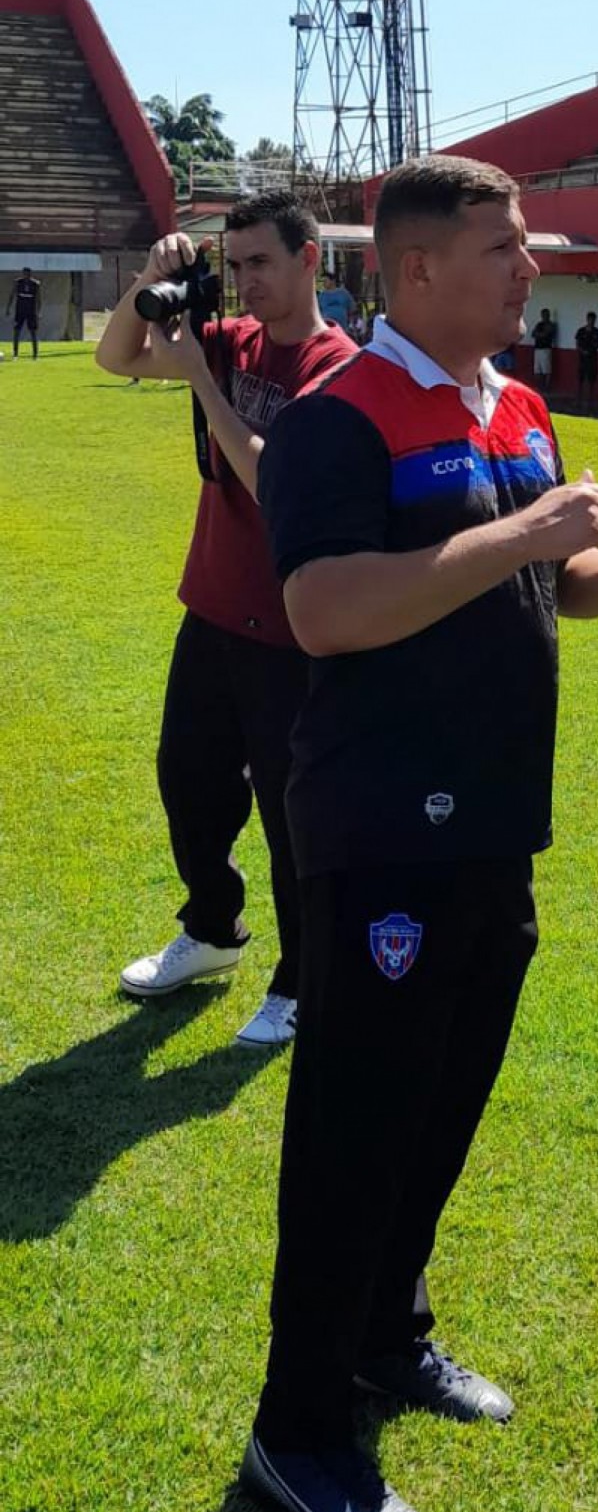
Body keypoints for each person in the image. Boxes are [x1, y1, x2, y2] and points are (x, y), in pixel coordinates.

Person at [244, 152, 598, 1512]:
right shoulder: (338, 415)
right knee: (355, 1130)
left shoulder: (521, 405)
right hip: (382, 829)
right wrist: (522, 536)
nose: (529, 269)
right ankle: (296, 1430)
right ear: (413, 270)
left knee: (439, 1110)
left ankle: (387, 1335)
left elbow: (555, 585)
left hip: (495, 825)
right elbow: (320, 608)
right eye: (501, 250)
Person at [95, 194, 356, 1045]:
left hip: (289, 632)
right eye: (233, 265)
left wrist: (201, 378)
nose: (244, 283)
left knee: (291, 816)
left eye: (260, 264)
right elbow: (114, 354)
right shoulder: (231, 337)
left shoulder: (338, 366)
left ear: (310, 259)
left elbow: (271, 480)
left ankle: (302, 977)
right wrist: (150, 277)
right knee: (189, 782)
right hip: (209, 611)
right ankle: (212, 930)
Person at [8, 267, 41, 359]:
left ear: (30, 274)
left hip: (31, 311)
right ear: (22, 274)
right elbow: (12, 295)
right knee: (16, 331)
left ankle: (35, 354)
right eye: (24, 274)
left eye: (28, 274)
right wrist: (9, 308)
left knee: (33, 332)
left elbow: (39, 299)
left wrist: (39, 312)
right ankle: (15, 354)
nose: (26, 276)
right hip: (20, 310)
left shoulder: (35, 284)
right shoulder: (18, 283)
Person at [575, 309, 598, 408]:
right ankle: (579, 400)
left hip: (592, 358)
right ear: (587, 319)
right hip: (582, 358)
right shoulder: (581, 331)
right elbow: (577, 344)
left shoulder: (597, 332)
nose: (591, 321)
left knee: (591, 380)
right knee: (580, 380)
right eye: (590, 319)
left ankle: (590, 401)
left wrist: (590, 350)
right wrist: (583, 351)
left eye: (593, 320)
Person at [530, 305, 556, 390]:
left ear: (549, 315)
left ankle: (546, 387)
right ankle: (539, 386)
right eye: (543, 315)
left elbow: (545, 334)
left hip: (546, 349)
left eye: (546, 314)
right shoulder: (539, 324)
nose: (544, 316)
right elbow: (533, 334)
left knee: (546, 370)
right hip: (537, 348)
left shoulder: (551, 324)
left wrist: (539, 334)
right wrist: (540, 334)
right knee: (537, 370)